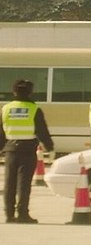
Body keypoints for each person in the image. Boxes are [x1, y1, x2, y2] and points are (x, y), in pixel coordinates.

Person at [1, 79, 54, 223]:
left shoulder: (6, 109)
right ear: (30, 92)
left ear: (14, 92)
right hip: (28, 150)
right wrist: (49, 147)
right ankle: (23, 214)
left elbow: (1, 132)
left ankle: (9, 214)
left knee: (9, 183)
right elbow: (42, 131)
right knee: (24, 183)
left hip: (10, 150)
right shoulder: (34, 109)